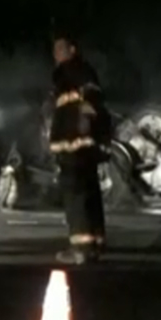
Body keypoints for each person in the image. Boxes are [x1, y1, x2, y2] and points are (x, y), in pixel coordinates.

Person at [48, 36, 112, 264]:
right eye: (55, 50)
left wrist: (84, 123)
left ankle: (81, 248)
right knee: (89, 191)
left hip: (74, 145)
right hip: (83, 145)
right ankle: (95, 242)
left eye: (61, 49)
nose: (57, 53)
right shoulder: (78, 72)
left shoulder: (72, 72)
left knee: (75, 195)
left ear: (73, 50)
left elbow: (88, 101)